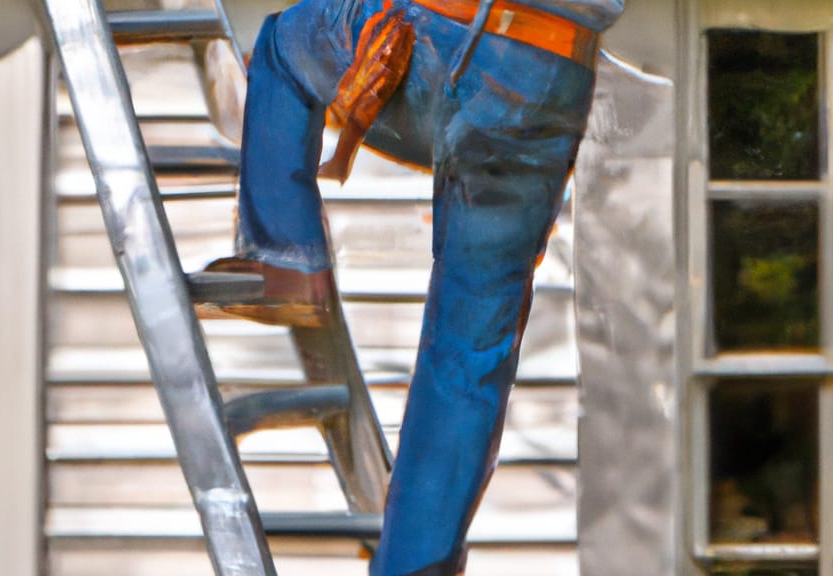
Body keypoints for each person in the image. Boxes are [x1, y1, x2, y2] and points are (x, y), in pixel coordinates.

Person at [209, 0, 625, 573]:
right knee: (470, 349)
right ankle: (415, 564)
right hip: (556, 72)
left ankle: (287, 256)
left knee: (285, 43)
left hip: (458, 41)